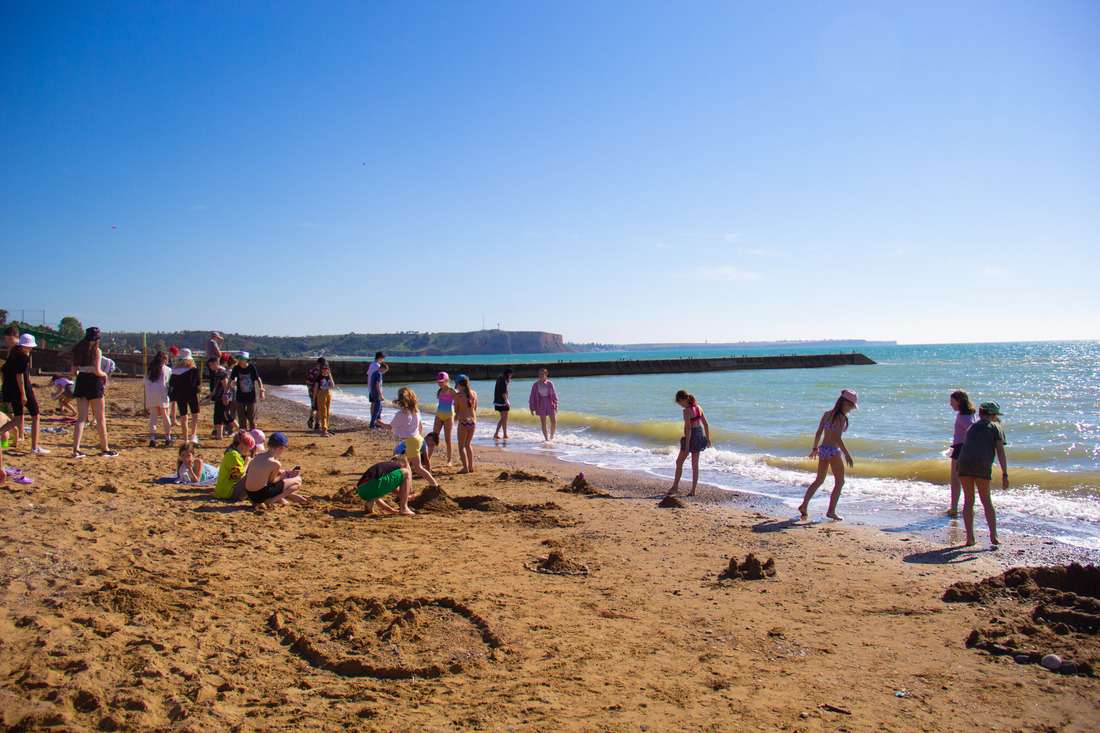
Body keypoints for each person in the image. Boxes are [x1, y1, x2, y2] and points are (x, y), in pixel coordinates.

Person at [798, 389, 858, 520]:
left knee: (819, 480)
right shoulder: (841, 417)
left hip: (823, 449)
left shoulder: (827, 414)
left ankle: (804, 505)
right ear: (846, 404)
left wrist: (815, 447)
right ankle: (831, 511)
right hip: (833, 451)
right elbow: (837, 438)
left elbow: (819, 432)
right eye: (851, 407)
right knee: (840, 482)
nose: (850, 410)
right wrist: (847, 454)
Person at [957, 402, 1007, 547]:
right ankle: (994, 536)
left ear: (979, 414)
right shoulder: (996, 428)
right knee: (986, 501)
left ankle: (970, 538)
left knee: (968, 501)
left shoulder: (971, 427)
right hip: (982, 465)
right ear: (993, 415)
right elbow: (1000, 450)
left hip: (964, 464)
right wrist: (1005, 474)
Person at [377, 387, 439, 488]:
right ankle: (407, 487)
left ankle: (434, 484)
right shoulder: (416, 410)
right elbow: (420, 426)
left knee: (418, 467)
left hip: (412, 442)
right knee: (406, 465)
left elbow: (390, 426)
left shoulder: (402, 414)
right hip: (418, 439)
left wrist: (380, 423)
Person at [71, 327, 117, 458]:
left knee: (81, 418)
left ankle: (76, 449)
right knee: (100, 417)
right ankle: (105, 448)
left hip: (81, 381)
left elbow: (73, 372)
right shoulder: (96, 351)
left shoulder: (78, 351)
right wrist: (104, 375)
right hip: (94, 382)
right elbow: (97, 370)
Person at [1, 333, 47, 454]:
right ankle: (34, 447)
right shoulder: (23, 356)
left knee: (17, 419)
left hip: (11, 390)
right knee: (35, 416)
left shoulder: (13, 354)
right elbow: (19, 375)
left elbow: (4, 371)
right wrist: (23, 394)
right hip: (23, 390)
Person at [243, 431, 307, 508]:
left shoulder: (257, 456)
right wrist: (287, 474)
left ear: (268, 444)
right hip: (260, 494)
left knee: (276, 479)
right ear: (281, 448)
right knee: (298, 480)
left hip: (249, 493)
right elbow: (272, 481)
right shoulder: (275, 463)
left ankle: (260, 502)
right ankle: (272, 500)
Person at [666, 389, 711, 497]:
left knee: (679, 462)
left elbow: (689, 429)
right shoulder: (699, 408)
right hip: (699, 435)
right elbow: (706, 424)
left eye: (679, 403)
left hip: (691, 437)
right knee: (695, 465)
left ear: (682, 400)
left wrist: (686, 445)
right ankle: (693, 490)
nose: (680, 405)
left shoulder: (686, 411)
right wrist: (708, 439)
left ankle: (675, 487)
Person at [947, 389, 979, 518]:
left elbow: (972, 430)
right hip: (967, 448)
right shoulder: (971, 414)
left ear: (959, 401)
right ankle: (968, 507)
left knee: (955, 480)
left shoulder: (961, 416)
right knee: (967, 480)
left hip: (961, 448)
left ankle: (954, 508)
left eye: (952, 402)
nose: (951, 404)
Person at [168, 349, 202, 445]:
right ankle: (193, 436)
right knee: (194, 414)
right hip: (191, 393)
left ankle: (185, 440)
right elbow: (198, 382)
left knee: (184, 417)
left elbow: (171, 383)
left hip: (180, 394)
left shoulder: (175, 371)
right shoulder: (193, 370)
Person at [214, 430, 255, 502]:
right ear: (242, 445)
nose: (249, 450)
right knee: (254, 476)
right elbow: (239, 475)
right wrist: (247, 462)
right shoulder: (233, 455)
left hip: (225, 491)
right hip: (228, 492)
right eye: (249, 447)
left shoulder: (233, 454)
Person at [142, 351, 172, 446]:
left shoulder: (150, 369)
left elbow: (145, 382)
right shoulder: (167, 369)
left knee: (153, 416)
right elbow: (169, 383)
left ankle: (152, 439)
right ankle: (168, 438)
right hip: (161, 392)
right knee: (165, 415)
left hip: (150, 392)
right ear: (164, 359)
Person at [229, 352, 263, 431]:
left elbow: (258, 379)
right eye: (239, 359)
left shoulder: (251, 368)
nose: (240, 361)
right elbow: (230, 380)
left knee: (252, 419)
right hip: (240, 397)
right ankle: (243, 436)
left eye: (242, 359)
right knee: (241, 419)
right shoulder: (236, 368)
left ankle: (253, 435)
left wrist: (261, 390)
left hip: (251, 397)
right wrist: (226, 392)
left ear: (246, 360)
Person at [429, 372, 458, 465]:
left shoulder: (451, 390)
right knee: (433, 438)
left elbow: (459, 400)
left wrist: (458, 412)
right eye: (438, 382)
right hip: (439, 415)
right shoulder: (440, 390)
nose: (440, 383)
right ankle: (428, 459)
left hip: (449, 416)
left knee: (447, 439)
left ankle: (449, 460)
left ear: (447, 380)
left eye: (441, 382)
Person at [204, 356, 233, 440]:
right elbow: (217, 387)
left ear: (215, 363)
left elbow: (225, 385)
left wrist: (225, 396)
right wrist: (210, 395)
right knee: (219, 416)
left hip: (222, 398)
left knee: (225, 416)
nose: (210, 367)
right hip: (218, 397)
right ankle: (219, 435)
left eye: (210, 365)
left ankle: (240, 430)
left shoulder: (221, 373)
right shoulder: (218, 373)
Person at [454, 375, 478, 473]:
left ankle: (465, 468)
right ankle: (471, 467)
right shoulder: (474, 393)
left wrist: (457, 415)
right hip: (473, 421)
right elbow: (475, 408)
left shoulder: (457, 396)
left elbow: (456, 410)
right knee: (468, 444)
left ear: (459, 384)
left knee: (461, 445)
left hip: (463, 421)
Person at [528, 368, 559, 441]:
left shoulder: (550, 383)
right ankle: (546, 438)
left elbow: (554, 394)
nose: (541, 375)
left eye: (543, 374)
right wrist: (531, 408)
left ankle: (551, 437)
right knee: (543, 421)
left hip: (549, 402)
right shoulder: (535, 385)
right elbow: (532, 396)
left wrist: (556, 405)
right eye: (540, 374)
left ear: (546, 375)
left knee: (553, 420)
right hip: (540, 403)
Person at [314, 361, 336, 437]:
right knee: (323, 412)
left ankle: (326, 429)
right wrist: (314, 399)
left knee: (327, 412)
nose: (324, 370)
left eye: (326, 368)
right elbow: (316, 389)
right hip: (321, 393)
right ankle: (324, 430)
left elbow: (332, 385)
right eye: (322, 368)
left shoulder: (328, 376)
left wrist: (329, 376)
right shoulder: (319, 377)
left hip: (328, 393)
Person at [493, 368, 514, 439]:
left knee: (504, 418)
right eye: (511, 375)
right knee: (504, 418)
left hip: (498, 401)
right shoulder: (503, 379)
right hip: (502, 402)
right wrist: (506, 402)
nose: (511, 376)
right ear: (509, 374)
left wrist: (507, 383)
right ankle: (501, 434)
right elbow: (503, 392)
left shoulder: (500, 378)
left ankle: (501, 434)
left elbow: (502, 389)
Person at [305, 357, 324, 430]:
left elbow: (307, 380)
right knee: (318, 408)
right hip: (318, 391)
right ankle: (317, 424)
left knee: (313, 406)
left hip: (310, 390)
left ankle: (311, 418)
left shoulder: (310, 370)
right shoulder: (319, 371)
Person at [368, 362, 387, 428]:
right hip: (377, 394)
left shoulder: (374, 373)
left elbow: (371, 383)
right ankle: (373, 424)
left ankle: (378, 423)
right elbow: (378, 384)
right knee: (377, 408)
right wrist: (380, 394)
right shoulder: (379, 374)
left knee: (379, 408)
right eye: (385, 371)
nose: (384, 373)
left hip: (373, 393)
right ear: (383, 369)